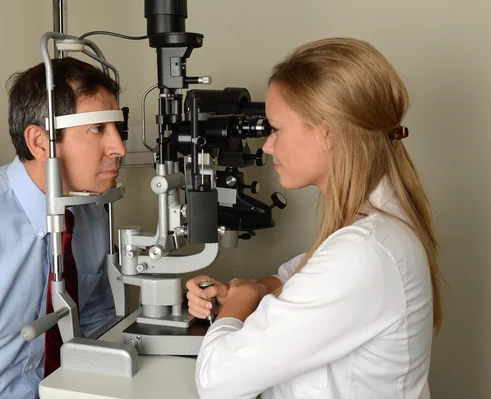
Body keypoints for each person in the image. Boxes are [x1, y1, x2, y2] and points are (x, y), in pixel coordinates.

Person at [187, 37, 442, 399]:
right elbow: (303, 273)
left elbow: (216, 381)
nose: (268, 146)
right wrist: (255, 290)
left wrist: (237, 310)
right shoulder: (376, 225)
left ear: (328, 134)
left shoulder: (364, 252)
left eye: (275, 129)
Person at [0, 57, 127, 398]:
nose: (120, 148)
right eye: (97, 129)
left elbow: (95, 318)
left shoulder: (90, 213)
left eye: (118, 128)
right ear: (40, 142)